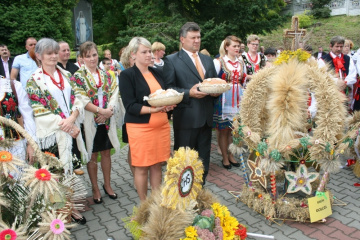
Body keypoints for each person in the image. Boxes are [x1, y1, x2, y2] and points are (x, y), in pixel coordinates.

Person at [25, 38, 87, 224]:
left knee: (70, 170)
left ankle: (72, 206)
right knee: (56, 174)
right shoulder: (34, 81)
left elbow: (79, 98)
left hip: (70, 130)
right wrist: (67, 125)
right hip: (53, 135)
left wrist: (72, 118)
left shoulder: (66, 75)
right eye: (48, 53)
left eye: (55, 52)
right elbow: (39, 111)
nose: (53, 56)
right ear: (39, 56)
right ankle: (59, 212)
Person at [163, 22, 219, 183]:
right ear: (182, 39)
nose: (197, 40)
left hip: (206, 119)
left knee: (203, 163)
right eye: (193, 37)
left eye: (199, 37)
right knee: (183, 164)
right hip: (186, 119)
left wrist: (216, 93)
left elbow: (214, 82)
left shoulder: (207, 60)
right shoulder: (171, 60)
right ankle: (181, 201)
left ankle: (200, 195)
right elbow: (169, 89)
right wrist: (189, 93)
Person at [119, 37, 174, 201]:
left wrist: (168, 105)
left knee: (157, 165)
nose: (149, 54)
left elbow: (163, 96)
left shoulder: (157, 72)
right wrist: (154, 109)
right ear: (133, 55)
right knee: (142, 167)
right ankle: (144, 205)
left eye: (150, 51)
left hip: (162, 125)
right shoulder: (127, 75)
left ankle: (157, 202)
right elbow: (130, 106)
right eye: (144, 52)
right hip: (141, 128)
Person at [73, 41, 120, 204]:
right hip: (89, 120)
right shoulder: (78, 76)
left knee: (106, 153)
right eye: (88, 56)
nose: (92, 59)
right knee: (92, 154)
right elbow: (81, 98)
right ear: (82, 58)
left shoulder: (107, 74)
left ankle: (107, 184)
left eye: (94, 55)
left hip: (106, 119)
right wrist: (100, 112)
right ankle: (95, 188)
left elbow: (114, 92)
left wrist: (109, 111)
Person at [213, 36, 245, 169]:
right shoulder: (219, 61)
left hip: (238, 97)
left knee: (234, 130)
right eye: (234, 46)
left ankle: (231, 155)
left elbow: (242, 81)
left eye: (238, 46)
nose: (237, 49)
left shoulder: (240, 62)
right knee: (224, 130)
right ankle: (225, 157)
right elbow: (213, 81)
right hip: (224, 98)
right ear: (226, 47)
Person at [319, 36, 357, 108]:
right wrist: (336, 82)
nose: (339, 49)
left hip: (345, 91)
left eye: (341, 47)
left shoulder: (348, 59)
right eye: (337, 46)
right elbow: (323, 75)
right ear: (331, 46)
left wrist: (345, 82)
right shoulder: (323, 60)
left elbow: (352, 74)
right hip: (330, 92)